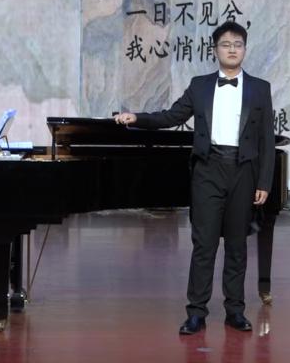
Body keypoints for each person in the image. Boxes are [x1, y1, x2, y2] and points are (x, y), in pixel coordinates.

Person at [114, 21, 275, 334]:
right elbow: (171, 116)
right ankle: (196, 313)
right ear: (215, 50)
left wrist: (264, 182)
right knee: (204, 244)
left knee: (237, 246)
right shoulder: (200, 85)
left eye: (238, 44)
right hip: (208, 171)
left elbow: (267, 139)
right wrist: (138, 118)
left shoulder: (260, 88)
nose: (232, 49)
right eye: (226, 44)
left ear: (245, 49)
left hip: (243, 172)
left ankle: (235, 311)